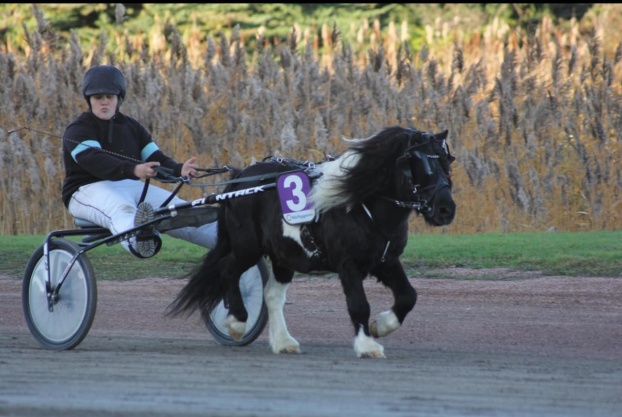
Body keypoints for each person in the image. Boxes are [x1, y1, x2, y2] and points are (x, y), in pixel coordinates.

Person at [61, 65, 217, 258]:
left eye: (109, 97)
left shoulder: (132, 127)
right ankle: (141, 240)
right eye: (98, 98)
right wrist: (134, 170)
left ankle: (229, 240)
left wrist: (179, 170)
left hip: (130, 187)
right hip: (85, 191)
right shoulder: (78, 129)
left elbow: (155, 159)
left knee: (181, 210)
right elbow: (96, 161)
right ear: (89, 100)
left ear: (119, 99)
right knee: (121, 208)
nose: (104, 102)